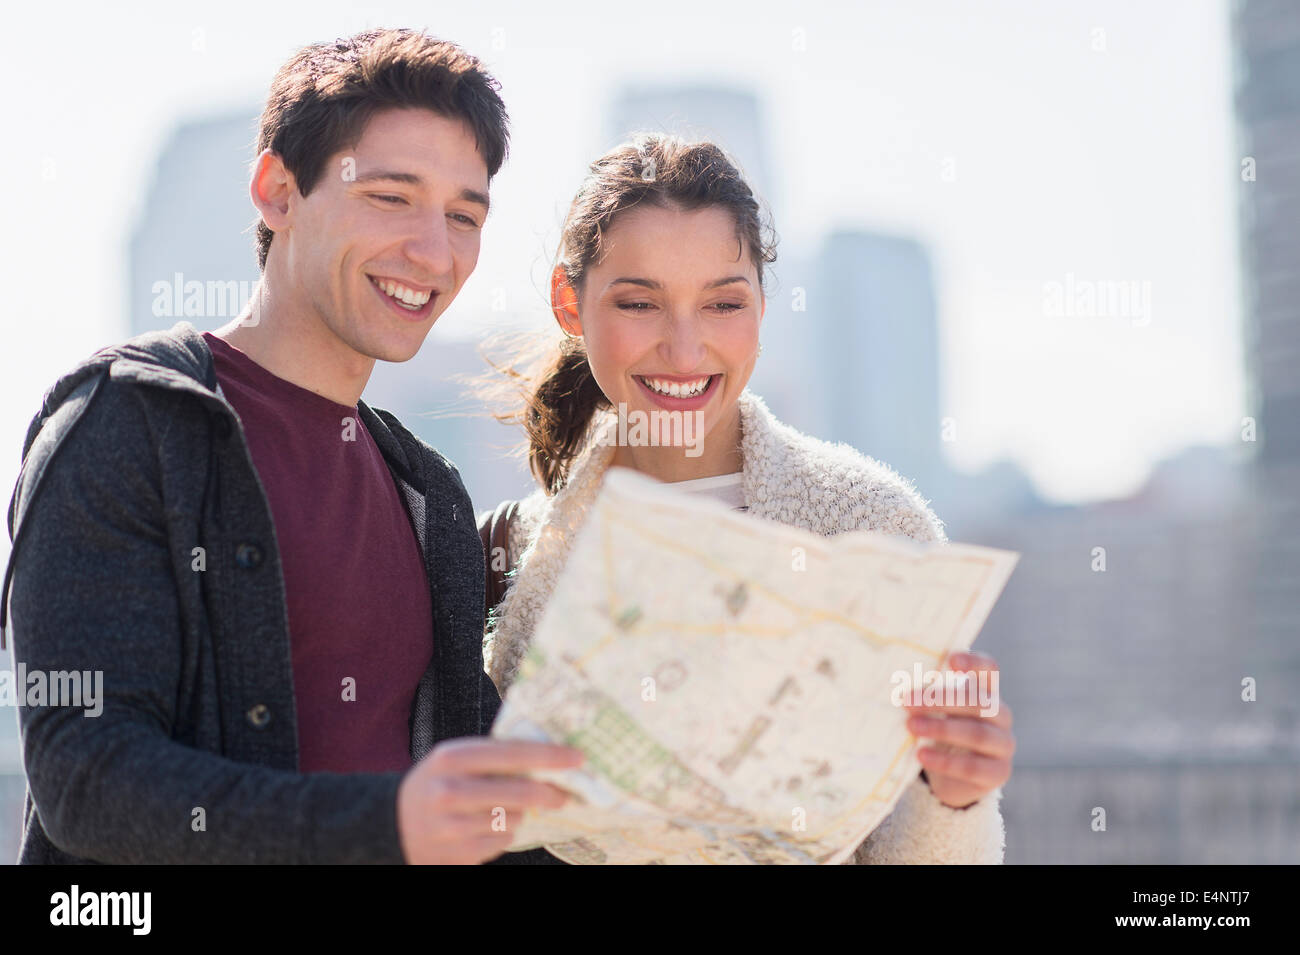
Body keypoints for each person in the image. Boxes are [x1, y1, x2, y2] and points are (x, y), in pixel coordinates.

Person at [1, 27, 580, 865]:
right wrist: (385, 824)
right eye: (392, 197)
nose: (434, 250)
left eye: (464, 215)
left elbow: (480, 814)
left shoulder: (429, 494)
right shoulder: (128, 426)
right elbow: (87, 780)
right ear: (277, 191)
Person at [479, 133, 1015, 864]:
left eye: (723, 304)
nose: (686, 348)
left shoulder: (872, 528)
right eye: (639, 302)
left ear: (764, 304)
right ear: (569, 304)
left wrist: (955, 794)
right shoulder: (501, 553)